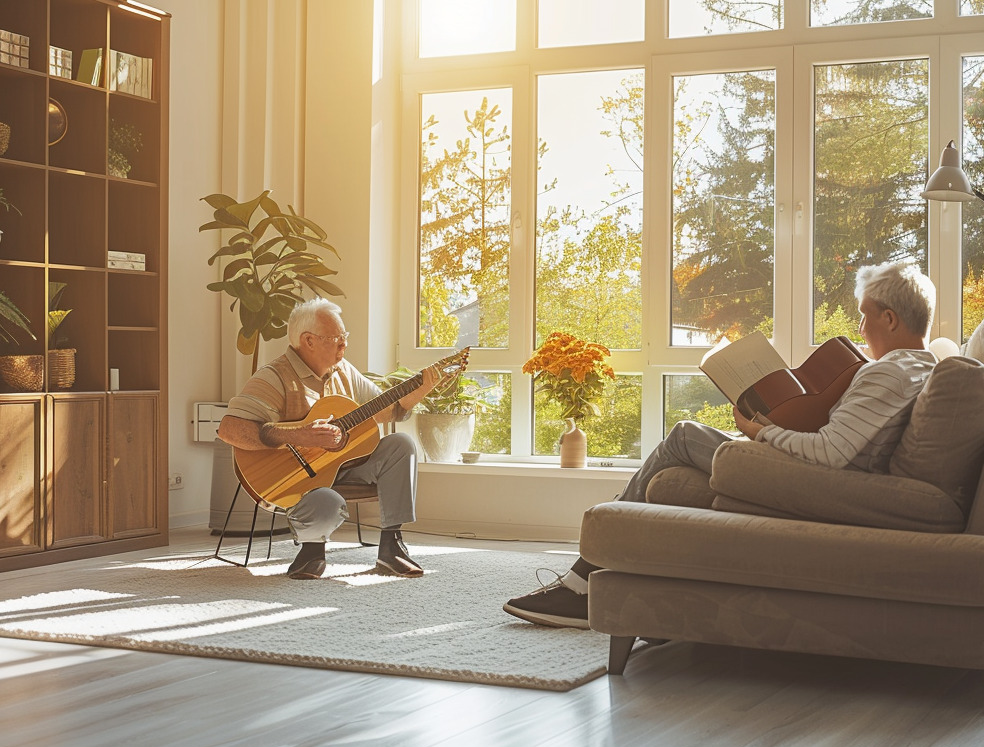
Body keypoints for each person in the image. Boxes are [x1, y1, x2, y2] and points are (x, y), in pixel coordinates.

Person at [503, 260, 938, 629]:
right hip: (832, 478)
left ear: (890, 319)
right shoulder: (922, 366)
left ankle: (583, 581)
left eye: (864, 316)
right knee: (675, 470)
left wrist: (759, 432)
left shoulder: (889, 372)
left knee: (684, 435)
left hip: (820, 483)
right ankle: (625, 583)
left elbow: (831, 452)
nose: (860, 328)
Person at [218, 297, 442, 580]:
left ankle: (391, 547)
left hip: (344, 469)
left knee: (401, 445)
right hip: (302, 485)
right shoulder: (274, 377)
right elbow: (229, 429)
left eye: (344, 336)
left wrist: (422, 389)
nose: (344, 344)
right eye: (336, 338)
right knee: (328, 501)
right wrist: (300, 435)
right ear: (308, 341)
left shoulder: (344, 370)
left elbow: (387, 410)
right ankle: (311, 552)